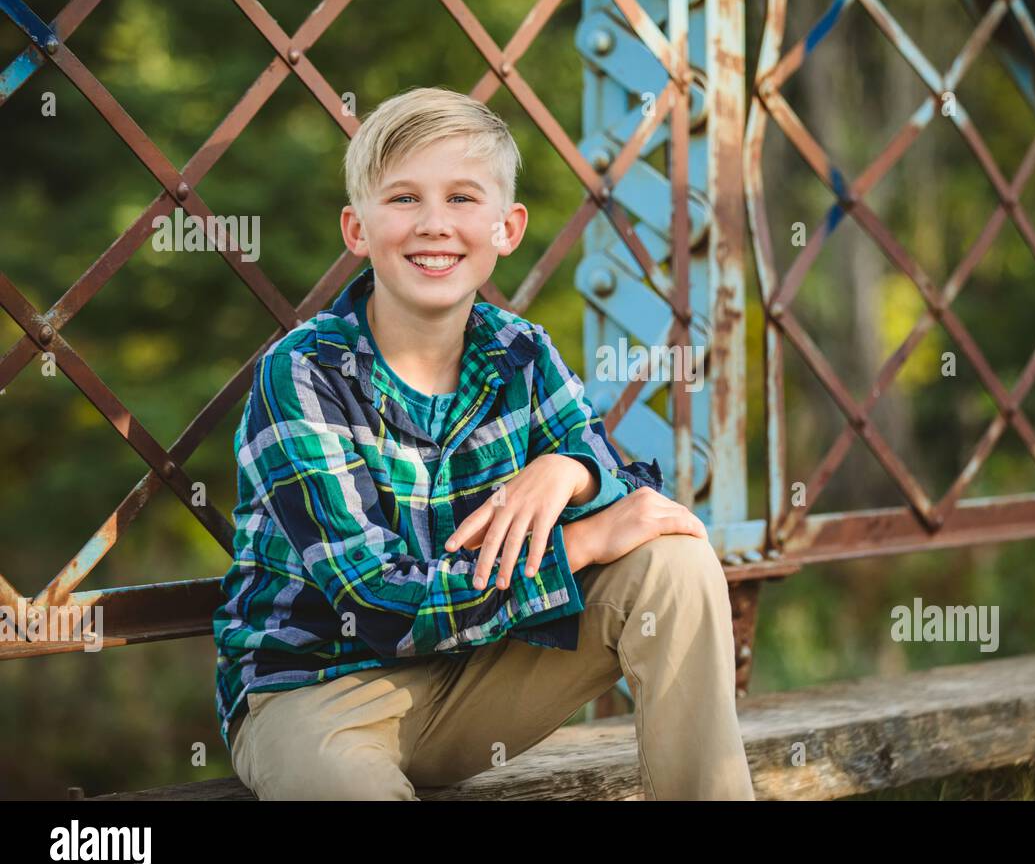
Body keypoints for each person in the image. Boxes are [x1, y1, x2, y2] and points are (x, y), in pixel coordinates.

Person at [212, 86, 755, 800]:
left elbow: (626, 487)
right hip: (318, 697)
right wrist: (583, 543)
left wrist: (573, 470)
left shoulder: (519, 352)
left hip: (476, 675)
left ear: (507, 227)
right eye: (403, 199)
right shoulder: (305, 372)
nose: (434, 225)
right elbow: (375, 603)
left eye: (464, 199)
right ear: (356, 229)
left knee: (673, 566)